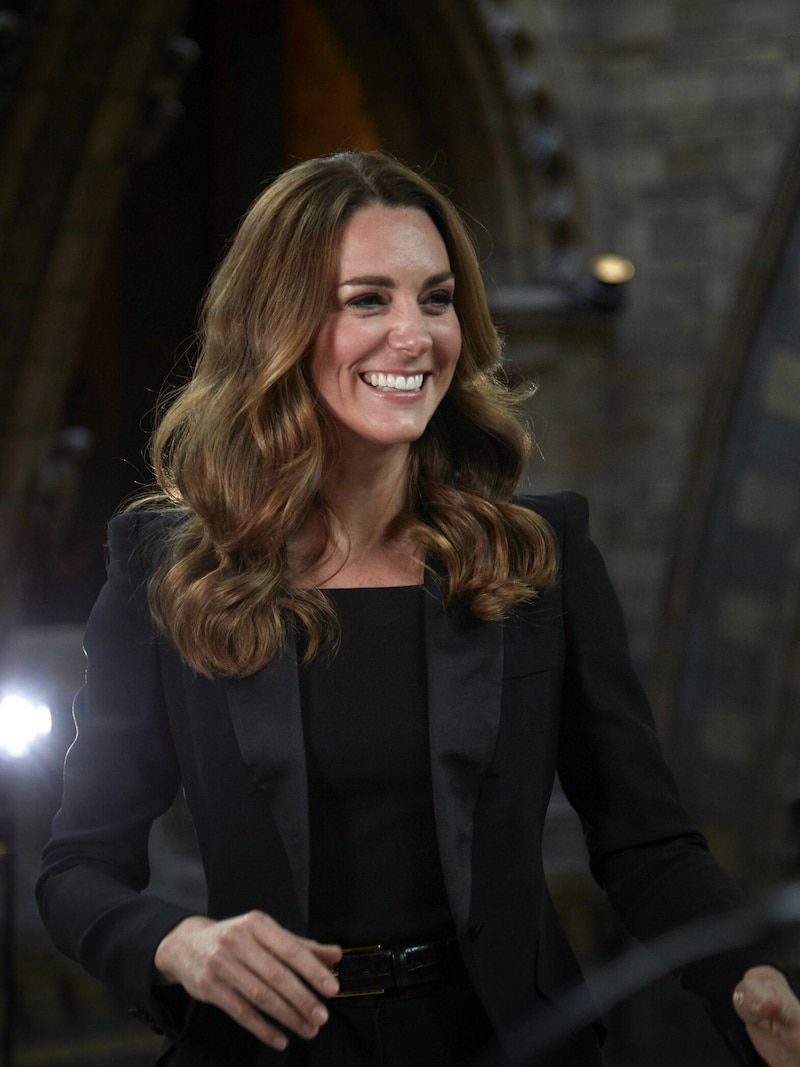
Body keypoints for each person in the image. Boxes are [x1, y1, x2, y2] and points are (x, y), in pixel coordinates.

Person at [35, 150, 796, 1066]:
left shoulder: (539, 554)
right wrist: (180, 942)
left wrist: (745, 973)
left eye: (435, 299)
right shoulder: (168, 566)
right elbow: (78, 870)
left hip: (508, 1043)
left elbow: (646, 840)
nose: (416, 336)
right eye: (368, 299)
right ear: (277, 322)